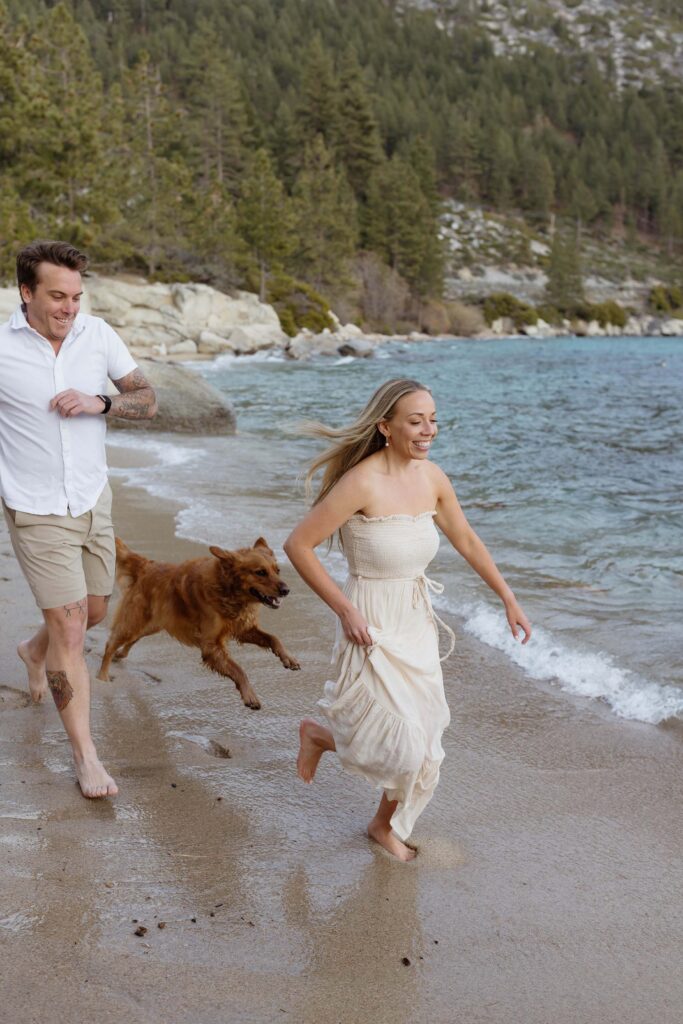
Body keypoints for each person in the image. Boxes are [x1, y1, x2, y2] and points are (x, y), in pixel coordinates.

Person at [284, 378, 531, 861]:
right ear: (385, 427)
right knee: (396, 743)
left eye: (433, 420)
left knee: (421, 744)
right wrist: (345, 609)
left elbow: (467, 540)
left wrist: (508, 597)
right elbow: (298, 546)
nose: (429, 430)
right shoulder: (362, 482)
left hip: (415, 620)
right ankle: (320, 736)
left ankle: (380, 824)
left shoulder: (432, 478)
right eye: (416, 421)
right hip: (370, 618)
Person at [0, 240, 157, 798]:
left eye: (76, 296)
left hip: (94, 501)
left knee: (91, 612)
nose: (69, 307)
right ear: (26, 292)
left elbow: (147, 397)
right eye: (57, 296)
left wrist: (103, 402)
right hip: (35, 509)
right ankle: (87, 759)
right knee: (71, 627)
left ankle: (31, 649)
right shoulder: (2, 345)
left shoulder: (98, 335)